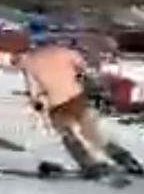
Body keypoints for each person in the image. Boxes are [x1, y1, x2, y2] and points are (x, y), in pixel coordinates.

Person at [19, 42, 113, 176]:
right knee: (92, 133)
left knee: (68, 135)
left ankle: (88, 164)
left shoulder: (29, 61)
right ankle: (123, 159)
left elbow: (32, 86)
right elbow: (84, 72)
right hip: (76, 97)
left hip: (55, 103)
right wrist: (93, 87)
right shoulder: (68, 53)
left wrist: (36, 102)